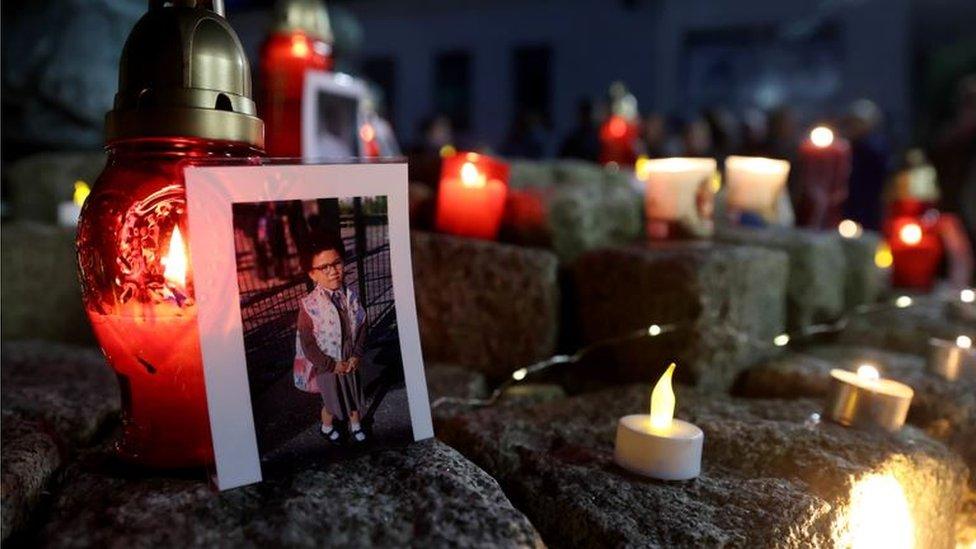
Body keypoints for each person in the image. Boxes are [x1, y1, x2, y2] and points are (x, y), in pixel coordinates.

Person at [293, 235, 368, 444]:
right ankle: (326, 427)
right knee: (332, 402)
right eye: (324, 267)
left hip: (349, 358)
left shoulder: (351, 296)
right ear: (312, 274)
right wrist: (329, 365)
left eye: (336, 263)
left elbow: (362, 324)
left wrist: (357, 353)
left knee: (353, 396)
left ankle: (356, 425)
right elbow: (308, 344)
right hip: (327, 365)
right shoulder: (309, 306)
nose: (333, 271)